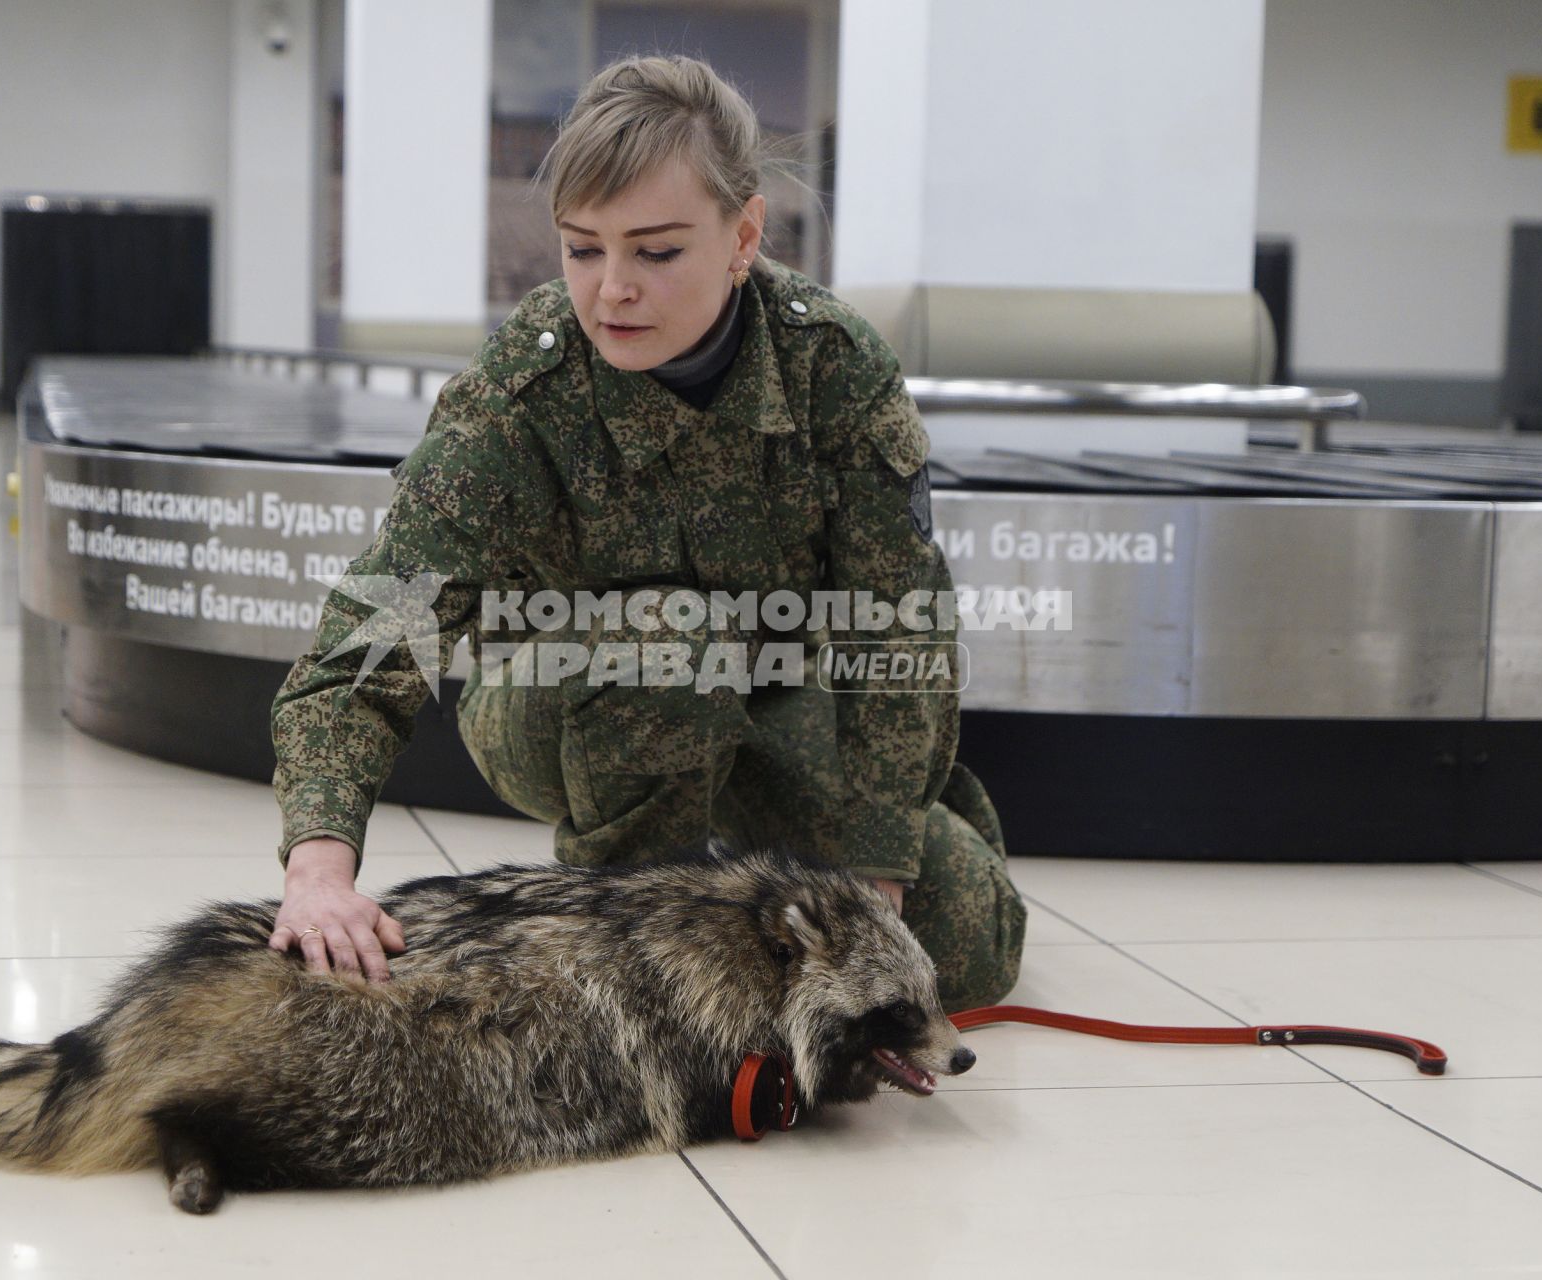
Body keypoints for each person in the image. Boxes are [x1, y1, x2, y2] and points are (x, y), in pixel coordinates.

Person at [267, 54, 1028, 1012]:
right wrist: (319, 872)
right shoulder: (521, 392)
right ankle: (626, 939)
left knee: (963, 945)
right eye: (583, 249)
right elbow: (380, 631)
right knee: (668, 642)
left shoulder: (830, 366)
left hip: (765, 699)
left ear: (743, 233)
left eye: (655, 252)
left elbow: (898, 624)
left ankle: (757, 852)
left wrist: (877, 871)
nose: (611, 290)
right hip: (557, 696)